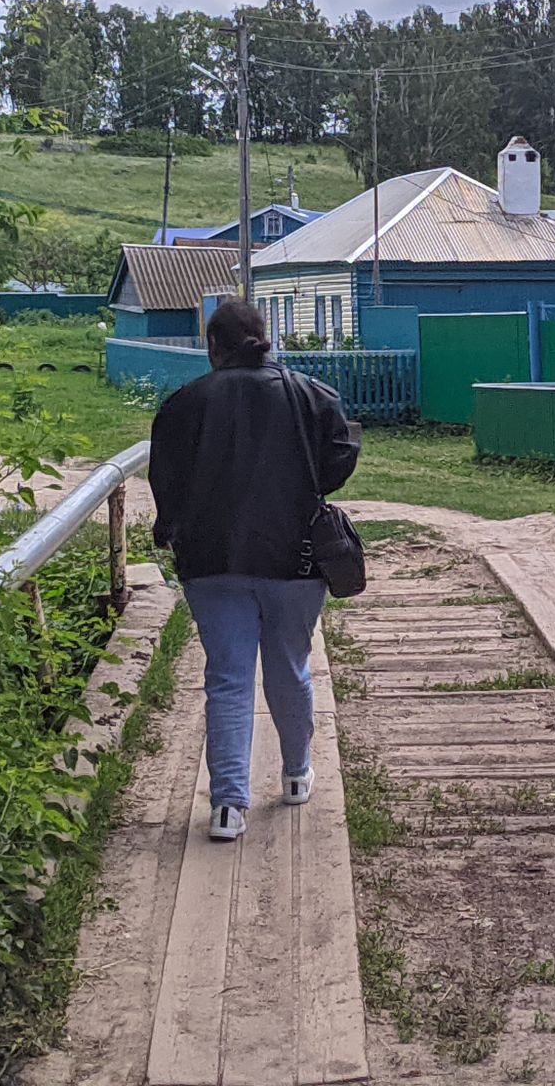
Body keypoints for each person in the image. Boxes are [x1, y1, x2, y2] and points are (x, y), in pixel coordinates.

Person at [149, 298, 360, 841]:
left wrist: (175, 526)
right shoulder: (311, 395)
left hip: (210, 560)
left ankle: (226, 808)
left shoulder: (182, 405)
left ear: (212, 345)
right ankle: (295, 776)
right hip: (295, 558)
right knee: (290, 667)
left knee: (227, 678)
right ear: (263, 338)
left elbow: (164, 481)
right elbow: (340, 457)